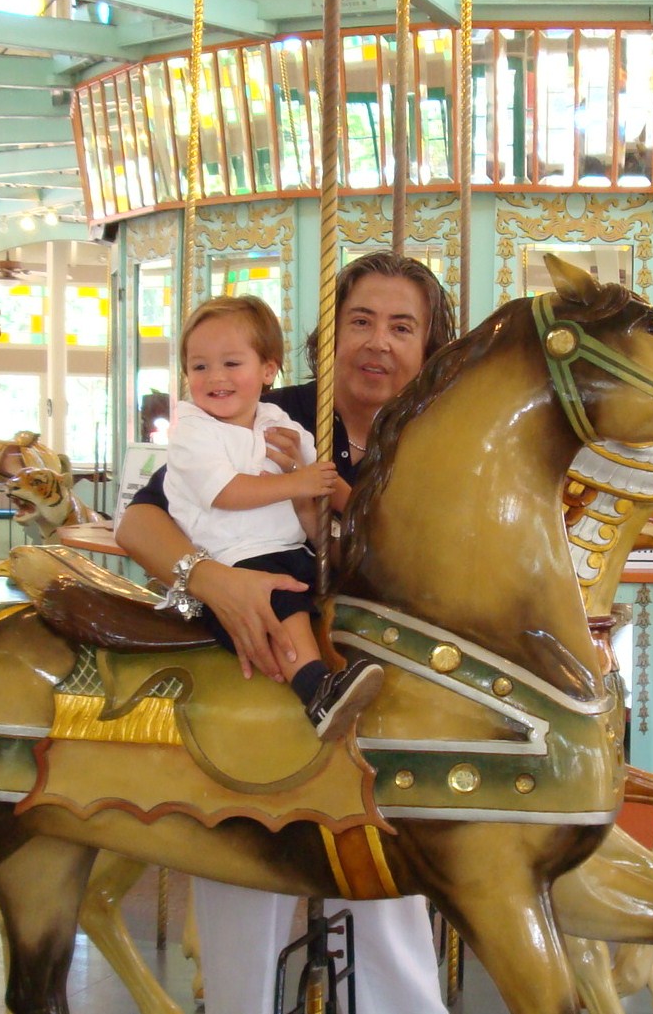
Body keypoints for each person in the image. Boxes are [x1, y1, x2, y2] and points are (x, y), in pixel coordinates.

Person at [116, 251, 456, 1014]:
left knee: (385, 879)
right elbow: (140, 519)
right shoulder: (269, 410)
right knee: (246, 852)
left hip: (384, 691)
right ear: (320, 339)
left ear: (429, 347)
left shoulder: (440, 439)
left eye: (402, 327)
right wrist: (212, 580)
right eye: (358, 320)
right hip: (261, 667)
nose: (377, 341)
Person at [164, 294, 384, 739]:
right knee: (283, 603)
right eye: (199, 366)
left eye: (231, 363)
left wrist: (343, 499)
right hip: (234, 561)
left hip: (288, 548)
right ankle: (317, 692)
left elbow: (320, 473)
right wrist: (296, 484)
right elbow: (226, 492)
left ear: (267, 370)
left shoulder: (274, 418)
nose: (215, 378)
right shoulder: (192, 430)